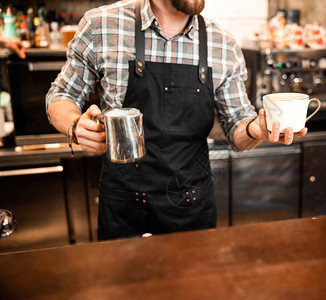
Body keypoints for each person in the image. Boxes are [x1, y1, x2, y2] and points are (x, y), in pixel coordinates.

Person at [46, 0, 308, 240]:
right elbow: (61, 95)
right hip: (123, 206)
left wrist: (257, 130)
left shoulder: (222, 43)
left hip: (191, 206)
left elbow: (238, 127)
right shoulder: (101, 25)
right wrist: (74, 124)